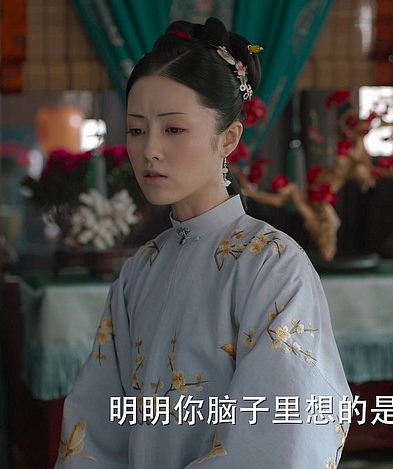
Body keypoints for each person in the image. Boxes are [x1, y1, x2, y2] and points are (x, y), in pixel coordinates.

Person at [56, 17, 351, 468]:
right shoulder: (141, 269)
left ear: (228, 138)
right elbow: (94, 426)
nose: (150, 150)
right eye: (136, 130)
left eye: (173, 129)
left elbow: (282, 431)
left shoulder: (271, 264)